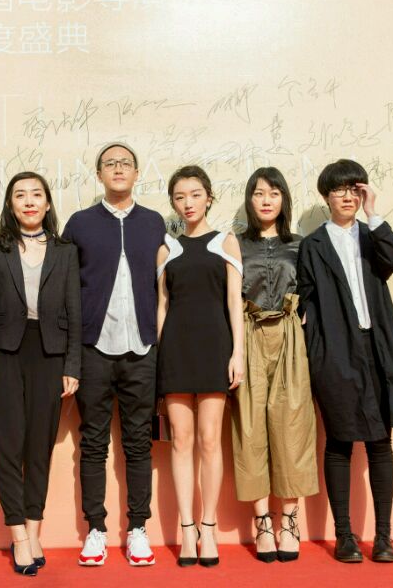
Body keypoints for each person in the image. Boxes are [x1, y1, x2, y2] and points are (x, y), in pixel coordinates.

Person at [296, 159, 393, 564]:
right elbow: (304, 300)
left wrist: (373, 212)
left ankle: (384, 538)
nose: (347, 196)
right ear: (326, 196)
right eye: (339, 189)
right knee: (340, 441)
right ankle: (344, 536)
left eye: (354, 189)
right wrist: (318, 349)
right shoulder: (312, 245)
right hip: (336, 351)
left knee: (381, 443)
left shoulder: (371, 236)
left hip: (377, 347)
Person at [62, 142, 166, 567]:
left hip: (142, 348)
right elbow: (66, 287)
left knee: (139, 442)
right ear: (99, 174)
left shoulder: (154, 222)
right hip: (94, 348)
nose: (118, 169)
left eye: (125, 163)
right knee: (92, 442)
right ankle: (96, 530)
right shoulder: (80, 223)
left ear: (137, 173)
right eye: (110, 164)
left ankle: (138, 528)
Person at [0, 172, 81, 576]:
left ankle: (35, 530)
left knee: (39, 446)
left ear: (48, 203)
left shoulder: (65, 251)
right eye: (20, 195)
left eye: (36, 194)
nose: (29, 201)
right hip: (4, 353)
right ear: (10, 205)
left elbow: (74, 311)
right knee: (8, 446)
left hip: (50, 352)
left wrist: (72, 365)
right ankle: (18, 535)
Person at [156, 165, 244, 568]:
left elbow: (233, 303)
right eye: (179, 197)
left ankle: (209, 527)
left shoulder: (226, 241)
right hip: (175, 350)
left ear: (209, 197)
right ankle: (186, 529)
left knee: (210, 440)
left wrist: (237, 353)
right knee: (180, 440)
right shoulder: (166, 248)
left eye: (195, 194)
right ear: (173, 203)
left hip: (214, 349)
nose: (188, 203)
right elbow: (162, 307)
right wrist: (159, 358)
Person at [231, 167, 318, 564]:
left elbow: (313, 293)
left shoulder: (300, 245)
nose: (266, 200)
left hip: (289, 336)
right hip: (248, 335)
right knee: (250, 428)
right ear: (249, 200)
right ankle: (262, 523)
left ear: (284, 199)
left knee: (292, 427)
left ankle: (290, 522)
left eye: (274, 193)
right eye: (259, 193)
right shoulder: (235, 244)